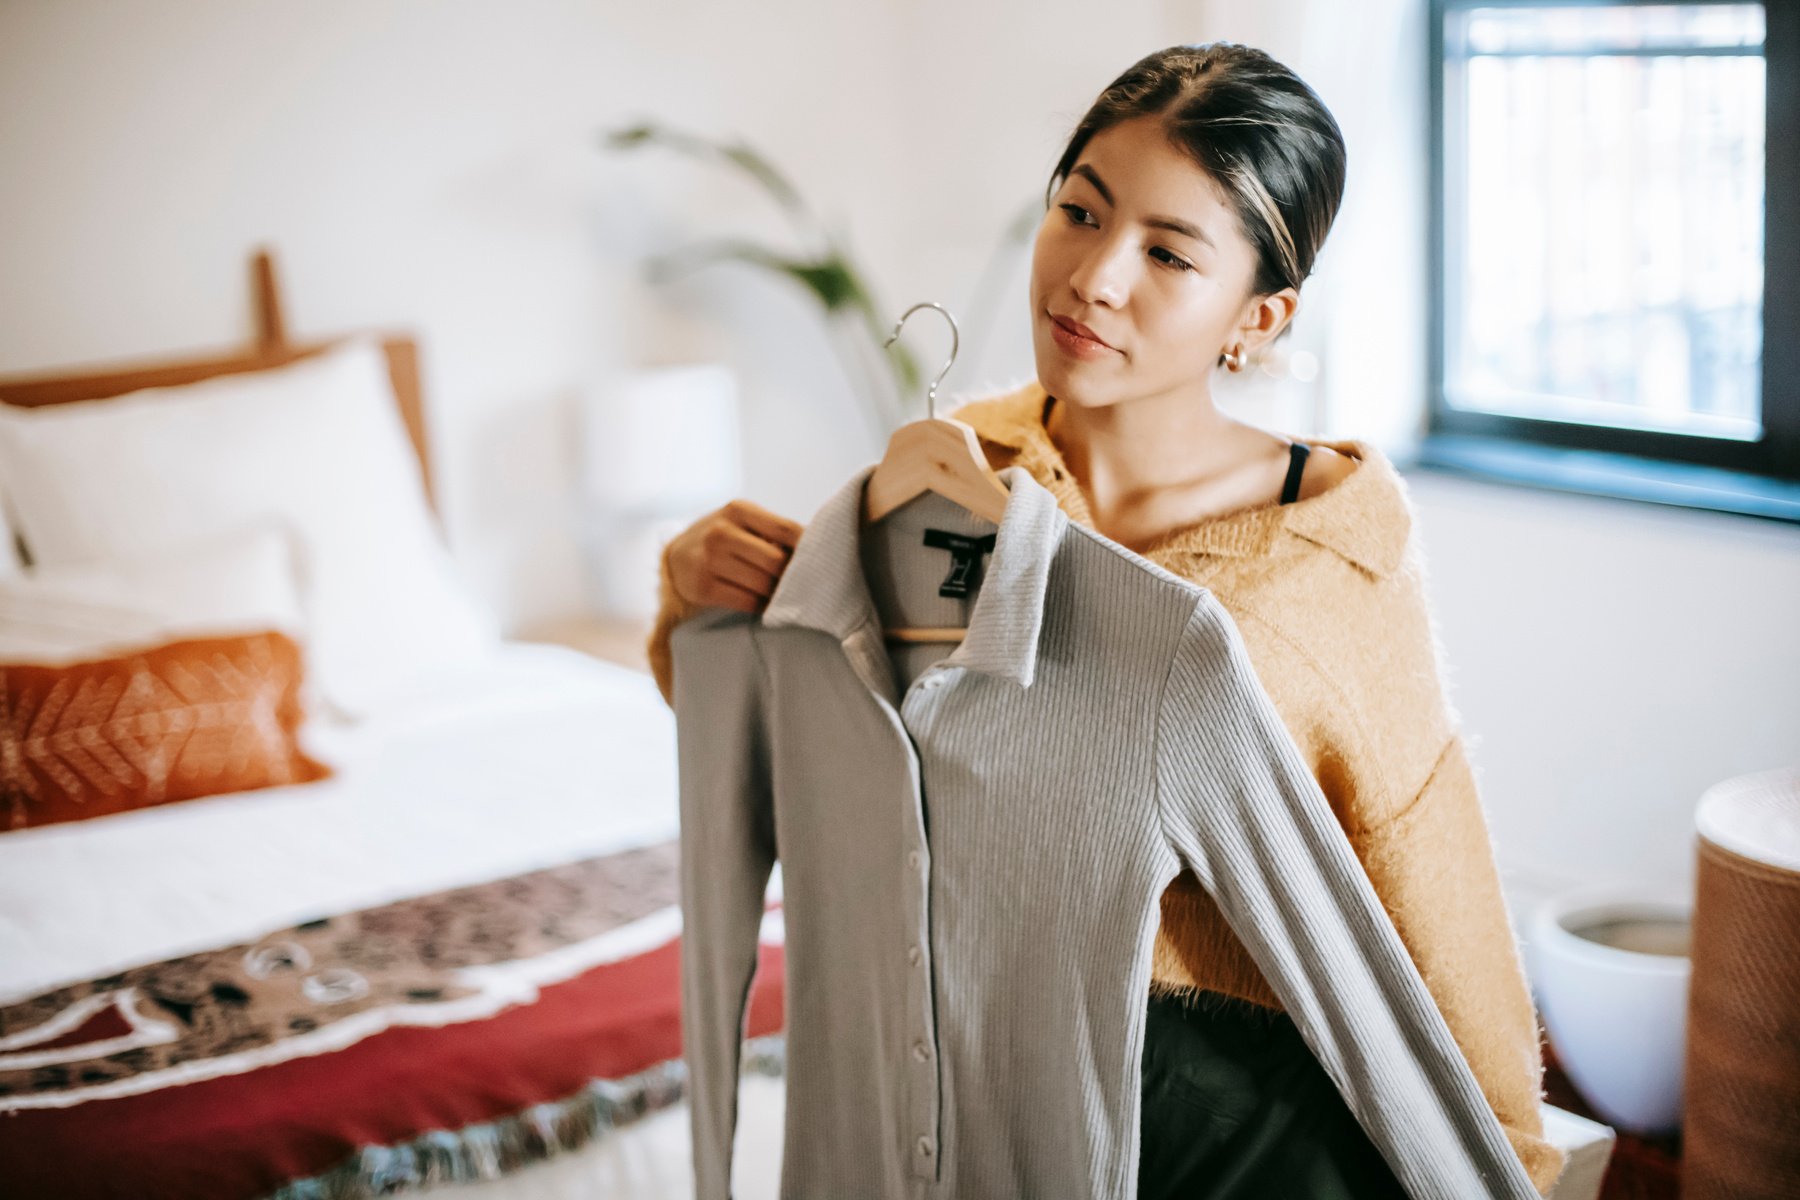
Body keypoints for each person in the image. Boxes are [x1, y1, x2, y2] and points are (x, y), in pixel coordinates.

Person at [645, 42, 1565, 1200]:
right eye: (1079, 212)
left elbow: (1432, 889)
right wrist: (697, 604)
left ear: (1259, 317)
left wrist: (1504, 1166)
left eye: (1168, 252)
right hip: (948, 1090)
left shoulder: (1326, 570)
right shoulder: (962, 467)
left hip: (1209, 1126)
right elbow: (840, 727)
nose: (1093, 277)